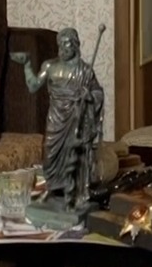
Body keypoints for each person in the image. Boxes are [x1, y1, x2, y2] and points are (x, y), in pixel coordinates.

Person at [11, 26, 105, 210]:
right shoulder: (50, 66)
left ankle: (75, 194)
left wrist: (88, 95)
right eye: (60, 45)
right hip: (56, 118)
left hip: (76, 118)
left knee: (75, 155)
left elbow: (97, 93)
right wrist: (27, 64)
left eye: (66, 44)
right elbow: (33, 86)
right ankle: (52, 188)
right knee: (50, 153)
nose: (62, 49)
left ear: (76, 45)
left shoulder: (85, 71)